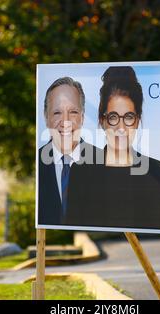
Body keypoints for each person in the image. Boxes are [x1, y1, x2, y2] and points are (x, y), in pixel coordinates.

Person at [64, 66, 160, 230]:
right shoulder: (81, 173)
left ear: (137, 120)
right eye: (113, 117)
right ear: (102, 120)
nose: (121, 127)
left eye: (129, 117)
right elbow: (75, 233)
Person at [38, 76, 102, 225]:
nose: (65, 121)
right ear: (46, 118)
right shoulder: (36, 162)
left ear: (82, 117)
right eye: (57, 113)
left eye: (73, 112)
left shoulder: (104, 163)